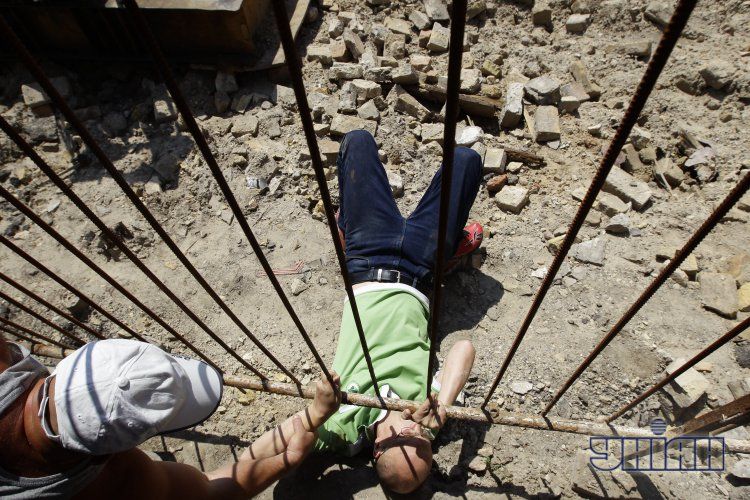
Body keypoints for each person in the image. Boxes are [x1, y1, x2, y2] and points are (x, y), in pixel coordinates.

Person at [315, 130, 482, 494]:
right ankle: (449, 251)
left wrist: (317, 415)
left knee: (357, 141)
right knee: (467, 161)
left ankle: (346, 225)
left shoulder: (345, 427)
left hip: (366, 258)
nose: (412, 428)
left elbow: (289, 454)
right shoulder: (428, 420)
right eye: (421, 441)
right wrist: (443, 406)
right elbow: (464, 349)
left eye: (404, 438)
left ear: (376, 450)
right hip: (421, 268)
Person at [0, 336, 341, 499]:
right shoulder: (117, 482)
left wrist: (313, 414)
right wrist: (288, 458)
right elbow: (211, 490)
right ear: (109, 454)